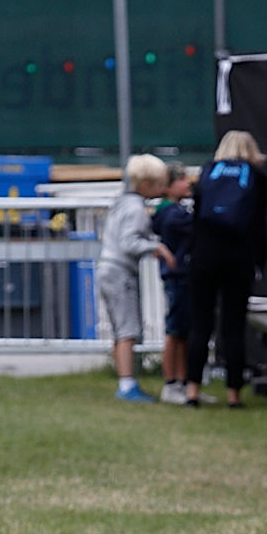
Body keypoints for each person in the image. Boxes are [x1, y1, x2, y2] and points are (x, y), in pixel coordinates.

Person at [185, 130, 267, 408]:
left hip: (203, 257)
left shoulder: (208, 174)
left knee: (200, 323)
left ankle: (192, 390)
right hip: (239, 258)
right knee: (233, 326)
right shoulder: (254, 177)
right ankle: (233, 395)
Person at [97, 153, 175, 403]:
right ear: (146, 186)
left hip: (107, 268)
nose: (163, 189)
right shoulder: (136, 210)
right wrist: (156, 247)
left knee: (121, 328)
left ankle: (125, 378)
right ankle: (127, 384)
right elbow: (129, 242)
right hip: (120, 272)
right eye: (159, 184)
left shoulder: (121, 203)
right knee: (128, 329)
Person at [150, 163, 205, 405]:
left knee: (184, 332)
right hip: (177, 278)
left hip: (183, 277)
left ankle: (183, 382)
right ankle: (170, 382)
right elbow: (194, 225)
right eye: (182, 180)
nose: (187, 183)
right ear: (168, 186)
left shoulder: (173, 211)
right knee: (174, 331)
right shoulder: (172, 214)